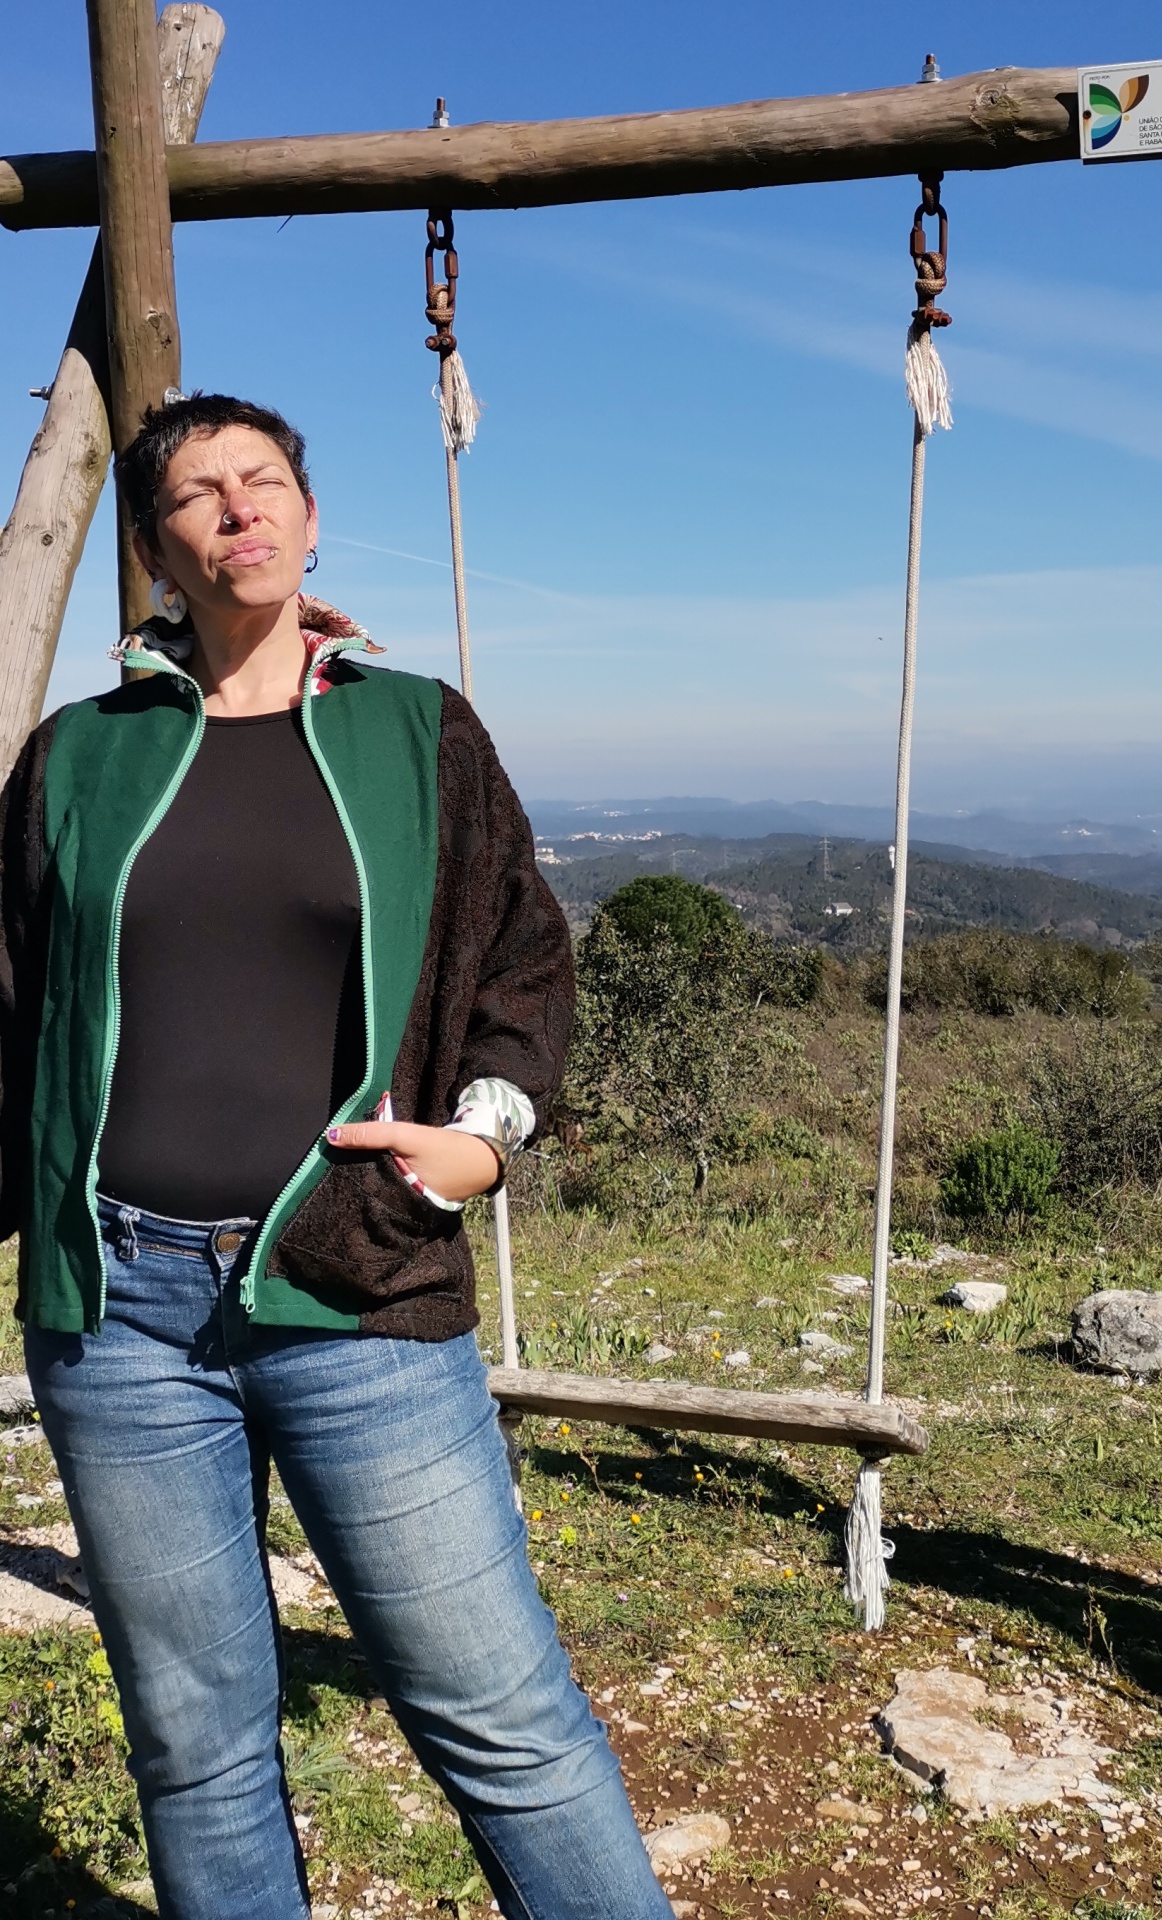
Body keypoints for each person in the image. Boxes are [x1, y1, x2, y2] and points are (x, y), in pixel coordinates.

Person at [3, 393, 671, 1920]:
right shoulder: (75, 758)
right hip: (118, 1317)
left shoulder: (415, 730)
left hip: (357, 1283)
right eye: (197, 492)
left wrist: (479, 1147)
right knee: (194, 1749)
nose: (237, 508)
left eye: (265, 481)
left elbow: (523, 969)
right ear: (156, 545)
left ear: (309, 519)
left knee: (501, 1721)